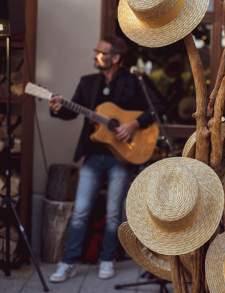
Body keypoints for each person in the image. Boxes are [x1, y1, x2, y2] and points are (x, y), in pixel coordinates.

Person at [48, 36, 164, 282]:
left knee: (113, 213)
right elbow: (71, 111)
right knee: (80, 211)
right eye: (96, 51)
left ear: (116, 59)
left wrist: (133, 124)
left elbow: (157, 106)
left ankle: (107, 258)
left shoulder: (134, 82)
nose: (95, 56)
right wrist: (57, 107)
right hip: (93, 155)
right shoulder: (88, 83)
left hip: (121, 157)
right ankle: (69, 262)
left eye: (100, 52)